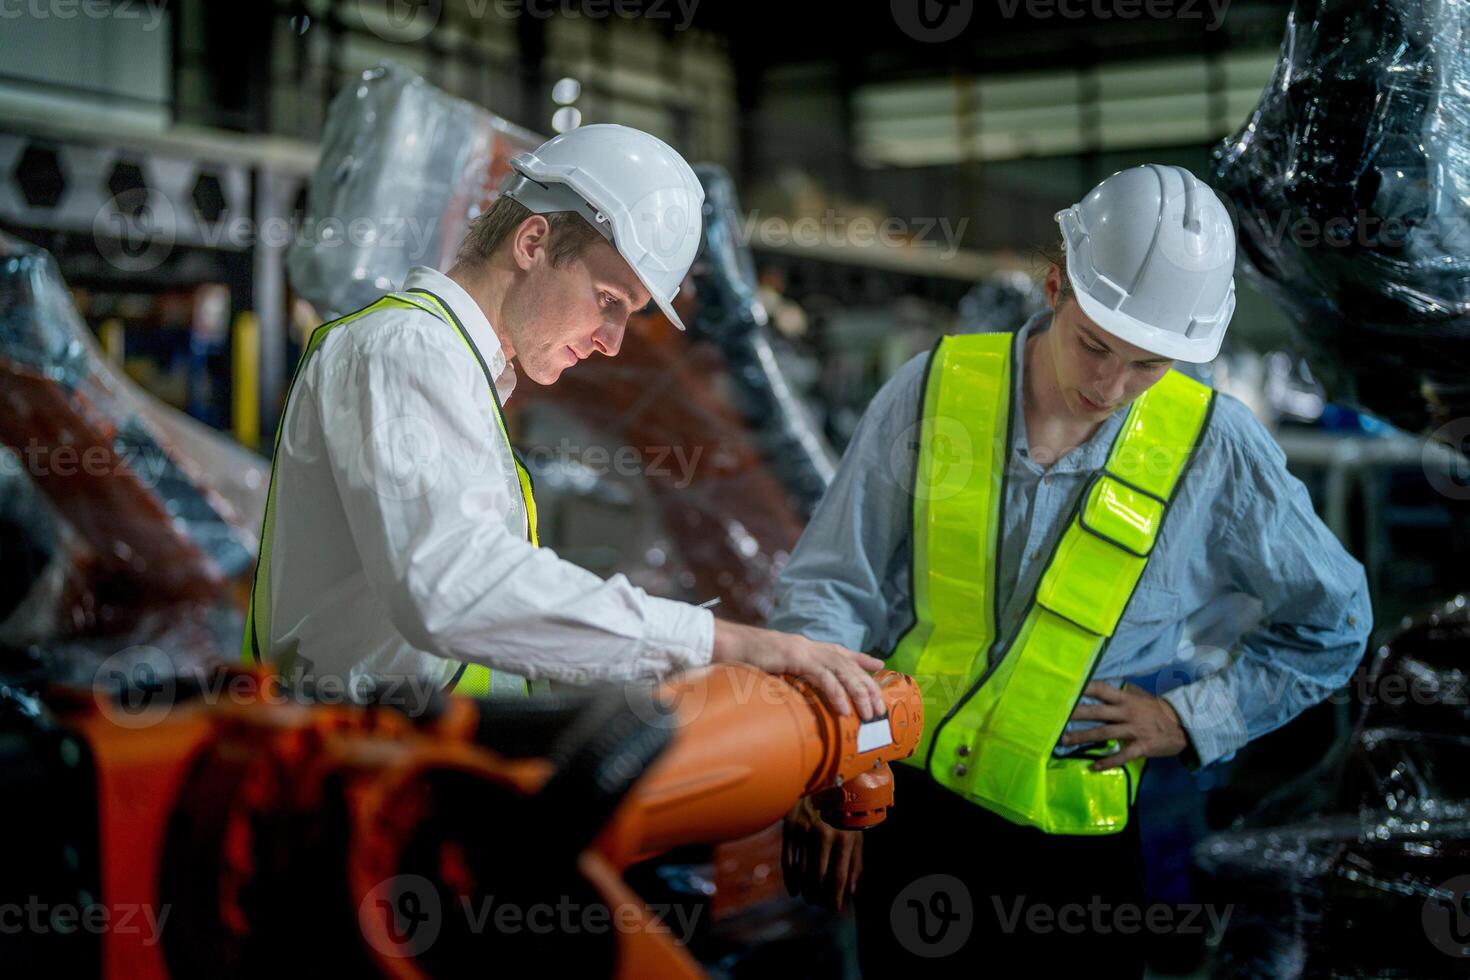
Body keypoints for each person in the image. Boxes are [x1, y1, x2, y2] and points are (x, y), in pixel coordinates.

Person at [772, 165, 1372, 975]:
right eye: (1094, 344)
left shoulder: (1215, 447)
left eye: (1148, 366)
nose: (1108, 385)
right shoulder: (934, 391)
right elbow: (830, 586)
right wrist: (834, 759)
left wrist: (1191, 719)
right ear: (1055, 286)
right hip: (913, 819)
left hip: (1076, 856)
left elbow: (1333, 621)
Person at [244, 123, 883, 720]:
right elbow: (453, 587)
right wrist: (726, 644)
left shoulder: (459, 371)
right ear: (533, 242)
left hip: (400, 767)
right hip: (347, 781)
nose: (612, 341)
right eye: (609, 301)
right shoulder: (408, 347)